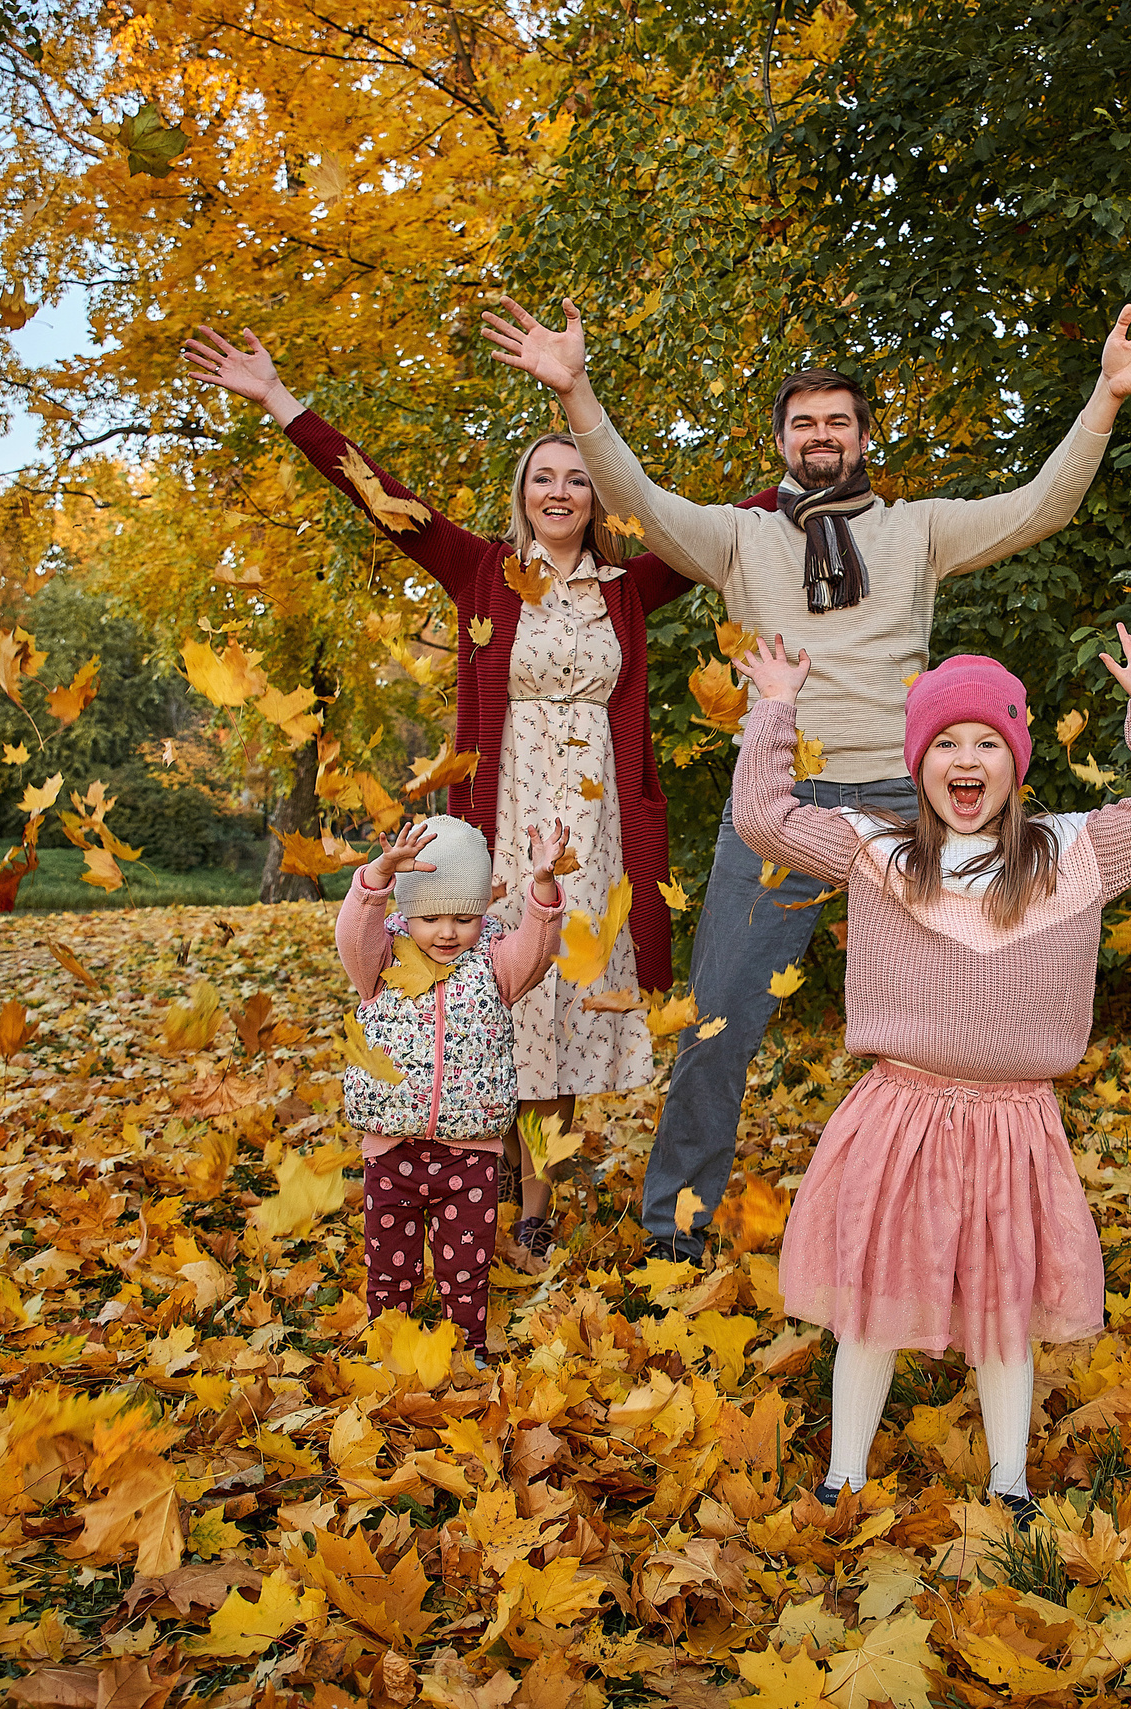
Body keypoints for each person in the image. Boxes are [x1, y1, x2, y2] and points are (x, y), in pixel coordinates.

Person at [479, 296, 1131, 1261]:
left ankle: (954, 1230)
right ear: (781, 441)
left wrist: (1105, 396)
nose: (822, 436)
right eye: (803, 423)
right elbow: (640, 502)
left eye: (838, 421)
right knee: (719, 1024)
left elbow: (1041, 507)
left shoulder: (921, 531)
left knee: (955, 1024)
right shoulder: (738, 540)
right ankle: (672, 1236)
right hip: (784, 811)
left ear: (863, 437)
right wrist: (577, 392)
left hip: (915, 814)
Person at [183, 325, 775, 1254]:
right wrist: (279, 401)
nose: (561, 491)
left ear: (599, 497)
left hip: (595, 831)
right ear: (522, 493)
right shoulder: (479, 571)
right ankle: (483, 1171)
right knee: (493, 996)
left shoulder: (631, 584)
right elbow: (381, 499)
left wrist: (811, 475)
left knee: (568, 1007)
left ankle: (533, 1201)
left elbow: (730, 529)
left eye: (579, 478)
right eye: (545, 476)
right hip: (497, 823)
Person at [724, 624, 1131, 1515]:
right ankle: (845, 1474)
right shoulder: (879, 853)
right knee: (872, 1298)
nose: (966, 757)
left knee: (1003, 1305)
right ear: (919, 764)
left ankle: (1010, 1482)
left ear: (1017, 761)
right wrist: (776, 709)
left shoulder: (1074, 853)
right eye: (945, 741)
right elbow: (763, 816)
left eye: (987, 740)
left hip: (1014, 1121)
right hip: (899, 1111)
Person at [336, 815, 568, 1350]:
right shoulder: (380, 960)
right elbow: (352, 934)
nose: (447, 933)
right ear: (406, 912)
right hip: (392, 1149)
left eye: (464, 918)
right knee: (388, 1263)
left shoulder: (494, 961)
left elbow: (539, 949)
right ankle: (387, 1344)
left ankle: (467, 1348)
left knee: (466, 1267)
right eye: (431, 917)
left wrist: (542, 886)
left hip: (470, 1154)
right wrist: (376, 879)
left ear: (481, 913)